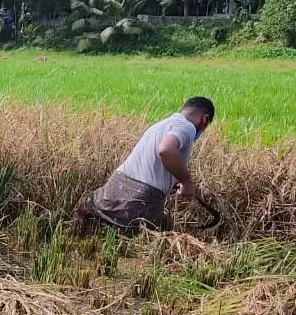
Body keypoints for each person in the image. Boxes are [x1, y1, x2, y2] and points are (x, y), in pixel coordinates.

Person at [78, 97, 215, 234]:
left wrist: (177, 184)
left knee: (98, 221)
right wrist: (186, 181)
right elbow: (166, 150)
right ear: (204, 119)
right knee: (165, 226)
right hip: (138, 201)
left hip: (112, 190)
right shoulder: (187, 127)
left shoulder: (161, 125)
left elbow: (153, 165)